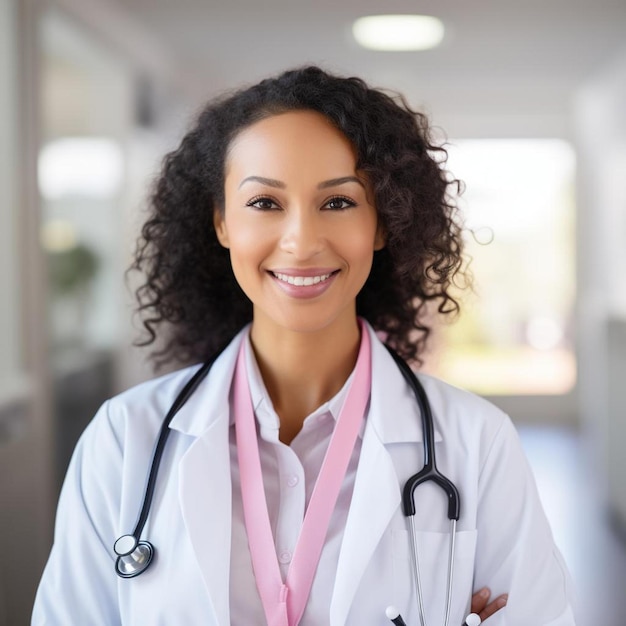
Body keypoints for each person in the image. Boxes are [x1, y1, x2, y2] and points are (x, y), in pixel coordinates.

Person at [32, 66, 577, 625]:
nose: (301, 241)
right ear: (221, 222)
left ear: (382, 224)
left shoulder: (475, 443)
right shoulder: (125, 441)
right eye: (265, 203)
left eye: (338, 203)